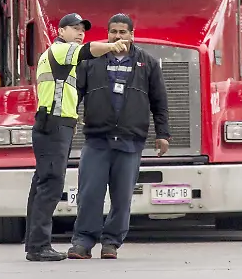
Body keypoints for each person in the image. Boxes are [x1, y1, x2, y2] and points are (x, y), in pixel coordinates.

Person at [25, 13, 130, 262]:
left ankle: (35, 243)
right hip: (54, 124)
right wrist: (113, 46)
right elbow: (89, 50)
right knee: (50, 184)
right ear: (61, 32)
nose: (80, 32)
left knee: (42, 184)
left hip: (55, 124)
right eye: (74, 28)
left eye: (82, 29)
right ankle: (39, 246)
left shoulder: (63, 58)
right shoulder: (61, 50)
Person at [68, 14, 169, 260]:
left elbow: (159, 101)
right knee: (89, 194)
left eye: (123, 32)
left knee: (122, 197)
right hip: (97, 140)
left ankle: (111, 243)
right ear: (108, 33)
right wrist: (67, 124)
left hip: (130, 141)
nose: (118, 36)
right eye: (113, 31)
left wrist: (162, 134)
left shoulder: (148, 63)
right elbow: (75, 94)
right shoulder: (92, 61)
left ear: (132, 35)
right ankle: (82, 242)